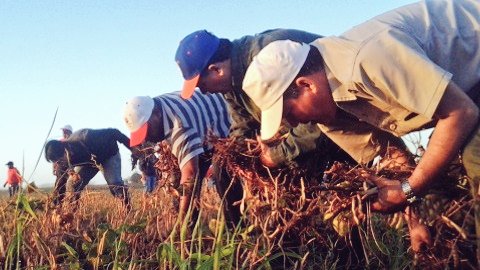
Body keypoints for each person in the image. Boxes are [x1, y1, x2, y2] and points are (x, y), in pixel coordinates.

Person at [241, 0, 480, 256]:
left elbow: (460, 113)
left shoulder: (370, 59)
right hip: (465, 91)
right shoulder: (329, 117)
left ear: (306, 85)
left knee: (474, 157)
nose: (295, 124)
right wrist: (415, 222)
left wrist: (410, 188)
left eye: (289, 112)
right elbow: (393, 159)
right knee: (440, 175)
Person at [175, 29, 359, 168]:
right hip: (303, 133)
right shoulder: (230, 85)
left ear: (216, 70)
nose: (205, 92)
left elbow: (314, 117)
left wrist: (278, 154)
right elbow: (242, 125)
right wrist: (234, 155)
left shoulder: (270, 57)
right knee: (224, 169)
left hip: (345, 117)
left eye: (201, 85)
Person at [123, 90, 240, 226]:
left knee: (222, 173)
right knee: (179, 187)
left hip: (225, 122)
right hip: (200, 126)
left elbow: (190, 174)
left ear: (157, 114)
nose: (147, 137)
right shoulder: (153, 105)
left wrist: (182, 220)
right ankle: (191, 226)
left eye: (147, 130)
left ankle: (237, 228)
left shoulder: (179, 127)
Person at [44, 128, 132, 209]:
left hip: (108, 155)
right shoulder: (61, 162)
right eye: (57, 162)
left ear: (64, 150)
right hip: (89, 163)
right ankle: (73, 213)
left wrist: (133, 148)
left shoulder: (84, 137)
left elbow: (114, 132)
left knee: (115, 185)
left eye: (60, 160)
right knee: (72, 184)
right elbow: (60, 184)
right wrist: (56, 206)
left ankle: (127, 209)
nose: (60, 163)